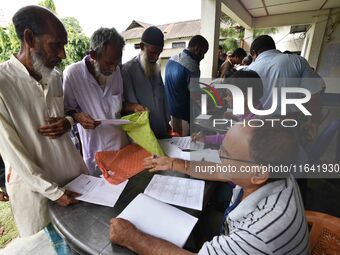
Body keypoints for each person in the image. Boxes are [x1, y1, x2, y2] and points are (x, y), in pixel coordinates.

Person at [110, 123, 309, 254]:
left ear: (258, 174)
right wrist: (174, 163)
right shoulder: (273, 170)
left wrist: (131, 238)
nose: (218, 156)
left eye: (226, 153)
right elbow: (222, 170)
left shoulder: (260, 234)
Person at [0, 5, 88, 237]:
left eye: (63, 45)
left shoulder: (55, 76)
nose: (62, 55)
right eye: (55, 45)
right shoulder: (2, 83)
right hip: (39, 195)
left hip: (75, 183)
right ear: (29, 38)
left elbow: (67, 114)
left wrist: (68, 121)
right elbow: (13, 153)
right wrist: (54, 192)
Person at [63, 27, 142, 174]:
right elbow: (67, 110)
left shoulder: (117, 71)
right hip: (96, 151)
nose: (113, 68)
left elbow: (118, 105)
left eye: (117, 63)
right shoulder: (73, 74)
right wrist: (78, 117)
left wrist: (132, 106)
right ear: (93, 55)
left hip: (122, 148)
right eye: (109, 63)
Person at [246, 35, 325, 134]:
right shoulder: (297, 61)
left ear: (253, 53)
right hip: (289, 125)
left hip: (257, 126)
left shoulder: (247, 70)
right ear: (273, 47)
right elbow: (314, 97)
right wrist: (314, 122)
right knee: (291, 148)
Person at [122, 26, 170, 139]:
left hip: (162, 131)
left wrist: (167, 123)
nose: (156, 57)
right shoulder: (127, 71)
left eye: (159, 53)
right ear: (142, 46)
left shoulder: (156, 68)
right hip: (144, 135)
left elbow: (162, 97)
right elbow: (132, 108)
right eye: (152, 52)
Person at [164, 35, 209, 136]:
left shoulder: (172, 59)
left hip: (170, 112)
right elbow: (195, 95)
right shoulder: (192, 66)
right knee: (185, 145)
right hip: (184, 115)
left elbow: (179, 85)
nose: (203, 57)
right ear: (197, 49)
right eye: (204, 52)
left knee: (176, 143)